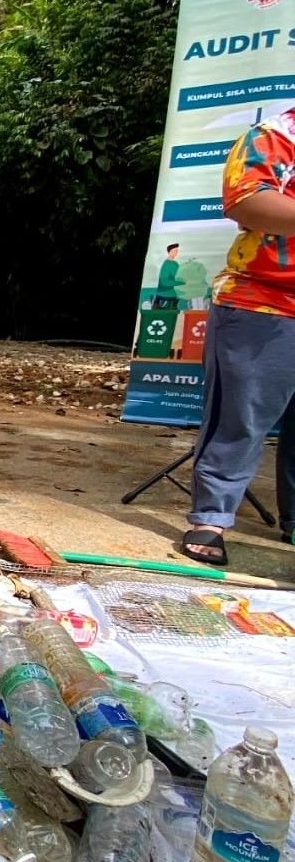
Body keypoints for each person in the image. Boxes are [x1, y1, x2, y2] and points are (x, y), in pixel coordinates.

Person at [180, 107, 295, 564]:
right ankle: (211, 517)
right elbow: (246, 200)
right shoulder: (276, 135)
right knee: (240, 420)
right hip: (266, 301)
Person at [153, 243, 181, 310]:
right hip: (164, 293)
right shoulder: (166, 264)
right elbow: (164, 281)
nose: (176, 253)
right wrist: (180, 282)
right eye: (175, 251)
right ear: (169, 252)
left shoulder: (176, 264)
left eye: (177, 251)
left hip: (170, 293)